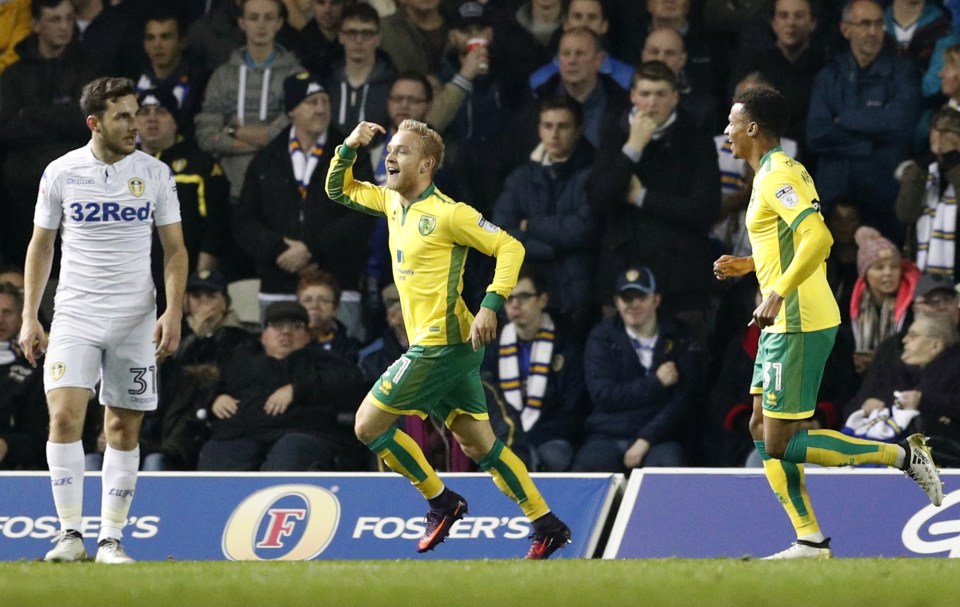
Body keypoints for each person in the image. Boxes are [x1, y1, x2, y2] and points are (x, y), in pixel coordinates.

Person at [325, 118, 572, 559]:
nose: (389, 156)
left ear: (427, 164)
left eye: (401, 151)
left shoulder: (449, 213)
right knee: (479, 443)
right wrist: (349, 146)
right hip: (448, 348)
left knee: (367, 426)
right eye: (390, 150)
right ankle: (545, 522)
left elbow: (511, 247)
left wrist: (491, 305)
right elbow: (338, 191)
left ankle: (442, 502)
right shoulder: (392, 203)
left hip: (439, 345)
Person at [714, 86, 943, 560]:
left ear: (753, 128)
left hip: (797, 318)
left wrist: (776, 291)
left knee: (780, 442)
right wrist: (750, 265)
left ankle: (902, 455)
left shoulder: (778, 174)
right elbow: (786, 243)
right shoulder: (772, 174)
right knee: (760, 428)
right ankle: (810, 540)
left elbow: (816, 237)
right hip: (783, 320)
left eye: (732, 123)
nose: (726, 131)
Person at [18, 76, 188, 563]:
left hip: (136, 318)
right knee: (65, 416)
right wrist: (31, 316)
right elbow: (41, 246)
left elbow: (175, 250)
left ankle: (111, 539)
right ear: (95, 123)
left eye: (136, 114)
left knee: (122, 430)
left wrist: (173, 312)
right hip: (74, 313)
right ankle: (70, 535)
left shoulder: (154, 173)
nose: (136, 124)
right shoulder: (62, 172)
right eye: (123, 117)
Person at [232, 71, 375, 332]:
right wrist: (278, 250)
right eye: (311, 102)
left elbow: (363, 213)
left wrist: (311, 248)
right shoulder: (266, 158)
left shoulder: (353, 155)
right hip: (278, 286)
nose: (321, 109)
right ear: (291, 111)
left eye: (325, 101)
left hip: (338, 287)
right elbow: (244, 221)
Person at [590, 60, 720, 341]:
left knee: (685, 372)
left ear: (675, 96)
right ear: (633, 96)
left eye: (661, 94)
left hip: (680, 283)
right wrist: (632, 149)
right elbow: (598, 201)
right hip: (623, 276)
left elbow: (704, 211)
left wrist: (642, 197)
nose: (652, 103)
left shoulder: (696, 141)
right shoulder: (614, 134)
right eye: (645, 94)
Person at [197, 301, 368, 471]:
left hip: (302, 432)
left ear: (307, 335)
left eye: (296, 326)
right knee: (217, 452)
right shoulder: (240, 360)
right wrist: (215, 398)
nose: (286, 332)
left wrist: (298, 389)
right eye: (277, 325)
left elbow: (351, 383)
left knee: (289, 451)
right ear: (264, 335)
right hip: (241, 433)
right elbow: (200, 384)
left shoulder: (323, 360)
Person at [806, 0, 920, 238]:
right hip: (834, 198)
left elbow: (899, 123)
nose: (873, 32)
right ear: (845, 29)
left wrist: (845, 120)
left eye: (879, 24)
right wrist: (867, 144)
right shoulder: (829, 77)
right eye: (865, 24)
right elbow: (816, 134)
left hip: (883, 199)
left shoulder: (903, 73)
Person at [572, 267, 698, 471]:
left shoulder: (680, 336)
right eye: (626, 298)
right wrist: (656, 383)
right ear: (616, 303)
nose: (633, 304)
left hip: (661, 438)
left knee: (667, 470)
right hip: (609, 433)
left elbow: (683, 400)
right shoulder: (602, 337)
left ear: (656, 300)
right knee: (586, 469)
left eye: (640, 297)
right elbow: (604, 396)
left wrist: (647, 438)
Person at [492, 94, 600, 331]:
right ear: (539, 129)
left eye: (563, 126)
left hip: (575, 300)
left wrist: (529, 226)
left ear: (578, 130)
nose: (554, 134)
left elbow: (582, 230)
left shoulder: (593, 175)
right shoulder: (520, 178)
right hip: (525, 296)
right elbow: (499, 234)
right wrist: (550, 248)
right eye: (548, 126)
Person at [0, 0, 96, 267]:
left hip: (75, 193)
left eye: (68, 19)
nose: (65, 27)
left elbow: (85, 122)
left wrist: (30, 114)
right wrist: (60, 114)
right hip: (22, 193)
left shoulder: (88, 69)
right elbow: (5, 128)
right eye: (55, 20)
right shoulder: (13, 75)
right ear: (35, 25)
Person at [194, 0, 303, 200]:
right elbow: (206, 135)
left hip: (281, 188)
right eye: (254, 18)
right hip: (227, 188)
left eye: (269, 18)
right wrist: (263, 142)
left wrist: (232, 132)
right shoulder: (222, 76)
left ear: (279, 23)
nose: (261, 25)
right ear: (242, 23)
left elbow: (296, 133)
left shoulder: (296, 76)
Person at [484, 267, 589, 471]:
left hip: (552, 438)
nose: (515, 304)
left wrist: (527, 439)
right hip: (506, 437)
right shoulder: (492, 349)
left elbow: (573, 410)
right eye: (509, 298)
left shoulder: (567, 346)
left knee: (551, 457)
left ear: (542, 300)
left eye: (523, 296)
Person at [136, 88, 231, 311]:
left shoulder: (201, 165)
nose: (151, 118)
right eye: (144, 112)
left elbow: (216, 226)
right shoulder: (119, 166)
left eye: (160, 112)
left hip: (181, 279)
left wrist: (199, 281)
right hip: (133, 282)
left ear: (175, 122)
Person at [896, 107, 960, 283]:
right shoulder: (922, 172)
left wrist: (955, 167)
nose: (939, 146)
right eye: (935, 139)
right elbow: (905, 213)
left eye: (948, 140)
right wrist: (919, 171)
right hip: (924, 277)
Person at [846, 226, 920, 375]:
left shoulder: (914, 306)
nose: (888, 273)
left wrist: (879, 359)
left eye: (894, 267)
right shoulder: (849, 303)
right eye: (879, 268)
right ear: (865, 274)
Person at [0, 282, 49, 470]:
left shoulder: (35, 366)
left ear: (21, 318)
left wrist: (8, 445)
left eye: (7, 312)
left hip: (18, 470)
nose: (0, 319)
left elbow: (40, 434)